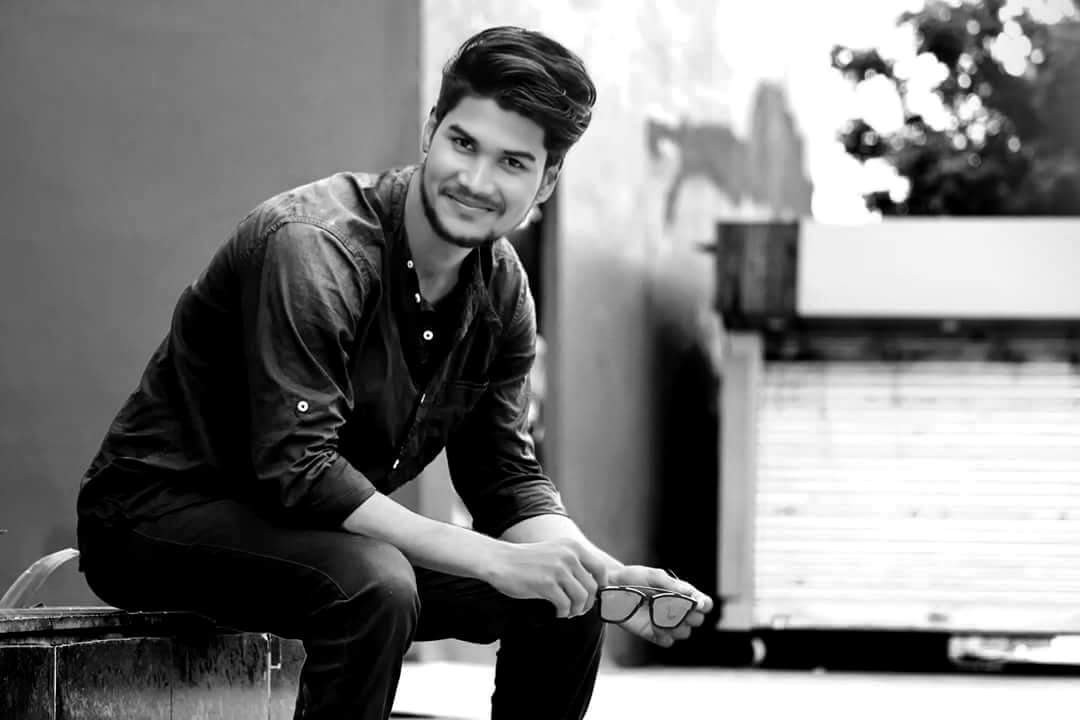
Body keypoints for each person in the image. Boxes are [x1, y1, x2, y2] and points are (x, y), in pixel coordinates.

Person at [76, 26, 713, 720]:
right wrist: (490, 558)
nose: (476, 181)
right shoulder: (316, 247)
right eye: (463, 143)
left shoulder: (503, 292)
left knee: (564, 597)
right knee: (375, 584)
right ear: (431, 132)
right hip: (155, 517)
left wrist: (599, 572)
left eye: (512, 162)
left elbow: (504, 476)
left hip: (314, 534)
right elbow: (299, 470)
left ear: (547, 181)